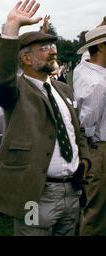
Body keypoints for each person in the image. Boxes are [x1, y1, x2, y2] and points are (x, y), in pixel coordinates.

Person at [0, 0, 90, 236]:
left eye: (52, 46)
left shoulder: (63, 90)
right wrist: (11, 28)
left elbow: (76, 129)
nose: (53, 51)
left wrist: (86, 160)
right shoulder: (15, 91)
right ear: (26, 59)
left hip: (71, 192)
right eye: (45, 48)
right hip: (35, 195)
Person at [73, 22, 106, 236]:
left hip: (95, 147)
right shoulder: (98, 83)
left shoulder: (83, 69)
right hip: (99, 147)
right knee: (97, 209)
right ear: (102, 46)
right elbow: (87, 123)